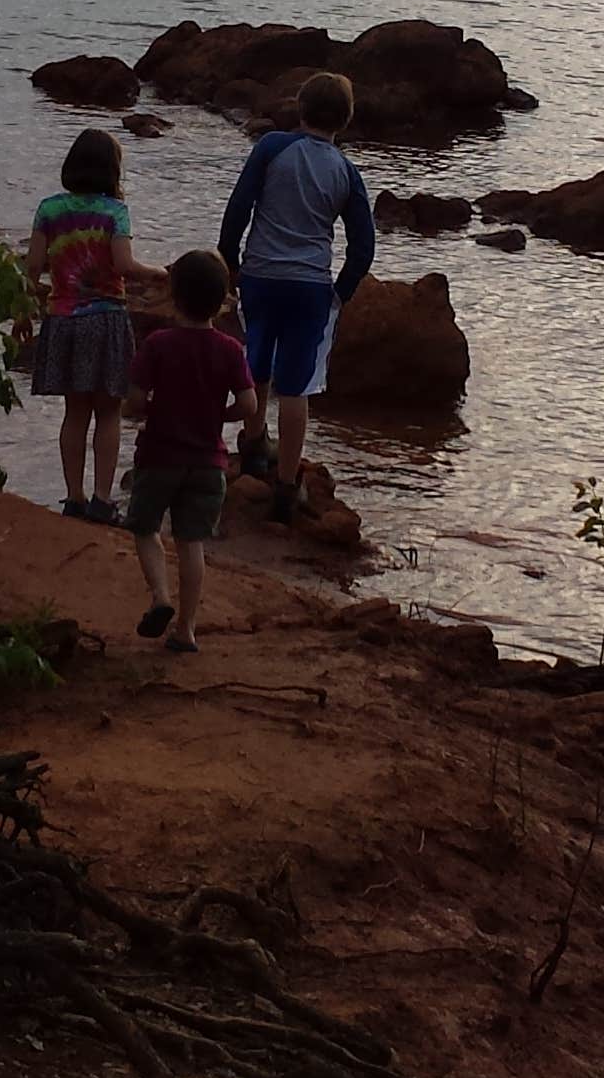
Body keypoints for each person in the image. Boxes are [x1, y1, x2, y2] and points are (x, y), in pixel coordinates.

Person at [218, 68, 375, 517]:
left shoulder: (271, 148)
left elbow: (239, 206)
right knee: (296, 386)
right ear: (344, 120)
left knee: (257, 365)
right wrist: (340, 292)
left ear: (300, 109)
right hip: (310, 286)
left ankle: (251, 447)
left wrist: (230, 260)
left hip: (261, 276)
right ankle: (286, 486)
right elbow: (363, 245)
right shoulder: (346, 171)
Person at [124, 248, 259, 655]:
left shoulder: (158, 343)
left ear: (174, 297)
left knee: (145, 528)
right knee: (191, 542)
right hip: (208, 462)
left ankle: (160, 597)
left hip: (159, 455)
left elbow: (132, 400)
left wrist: (150, 409)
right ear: (221, 304)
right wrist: (221, 413)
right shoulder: (231, 349)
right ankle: (186, 629)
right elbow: (250, 405)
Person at [25, 127, 137, 519]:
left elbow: (33, 268)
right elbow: (124, 266)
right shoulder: (115, 213)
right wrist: (157, 271)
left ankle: (73, 498)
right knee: (109, 413)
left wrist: (23, 312)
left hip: (64, 320)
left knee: (75, 414)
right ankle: (102, 500)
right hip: (106, 320)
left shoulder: (49, 209)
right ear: (113, 171)